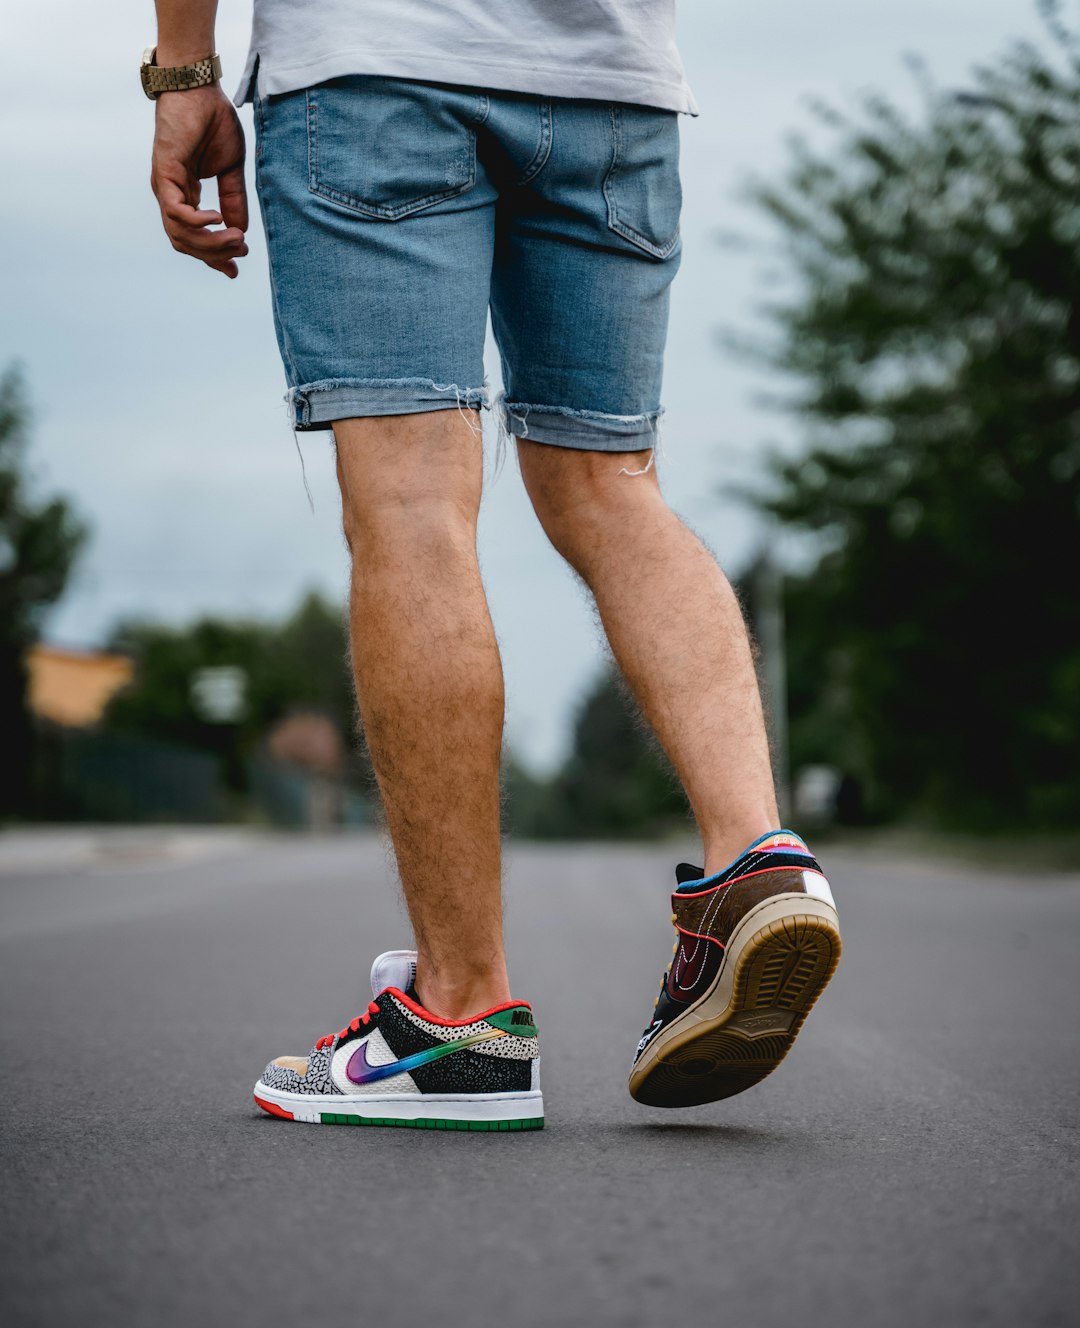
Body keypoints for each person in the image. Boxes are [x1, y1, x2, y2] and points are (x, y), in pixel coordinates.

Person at [145, 0, 841, 1133]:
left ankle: (460, 1021)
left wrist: (181, 71)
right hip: (613, 78)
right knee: (611, 484)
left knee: (412, 497)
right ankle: (755, 862)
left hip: (381, 64)